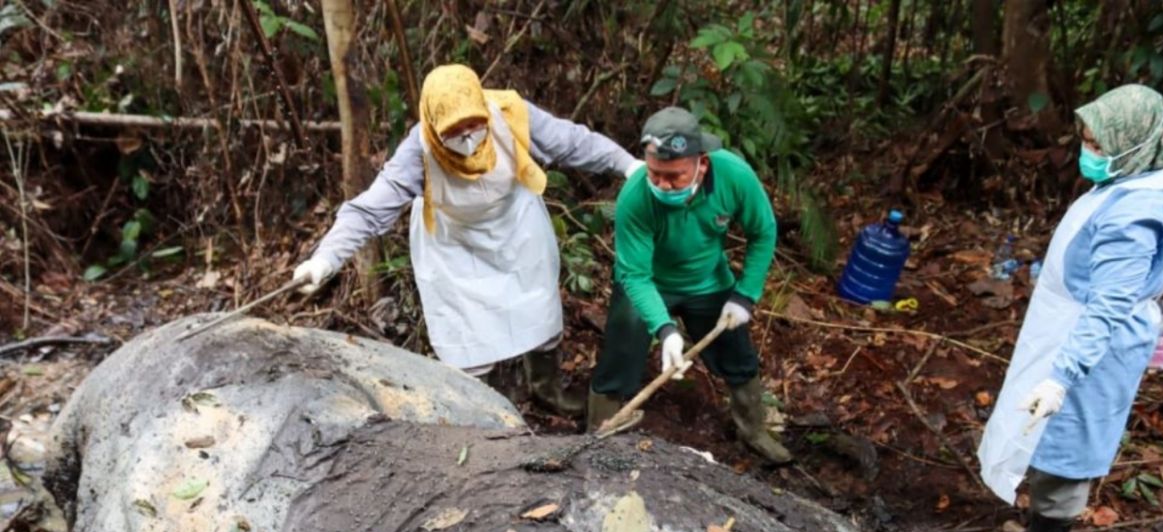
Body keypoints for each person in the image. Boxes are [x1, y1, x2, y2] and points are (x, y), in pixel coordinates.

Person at [292, 64, 641, 416]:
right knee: (466, 339)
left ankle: (546, 390)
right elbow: (368, 210)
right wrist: (325, 259)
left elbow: (574, 143)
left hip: (516, 227)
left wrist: (628, 166)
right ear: (433, 125)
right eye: (455, 130)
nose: (468, 136)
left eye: (474, 124)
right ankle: (481, 414)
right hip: (453, 244)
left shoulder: (510, 114)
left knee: (539, 309)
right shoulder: (419, 150)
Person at [978, 84, 1163, 532]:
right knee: (1046, 425)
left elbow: (1108, 305)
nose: (1089, 152)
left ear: (1136, 143)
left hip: (1093, 340)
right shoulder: (1143, 177)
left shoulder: (1139, 211)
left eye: (1099, 145)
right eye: (1088, 141)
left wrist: (1062, 375)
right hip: (1069, 321)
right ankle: (1039, 515)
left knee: (1066, 432)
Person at [587, 107, 792, 464]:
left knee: (737, 356)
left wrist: (745, 295)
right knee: (619, 357)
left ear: (702, 164)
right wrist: (665, 329)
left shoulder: (734, 177)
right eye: (655, 174)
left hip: (708, 282)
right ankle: (598, 434)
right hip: (648, 284)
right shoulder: (636, 197)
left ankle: (754, 429)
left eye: (674, 176)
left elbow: (763, 231)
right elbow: (635, 274)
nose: (663, 185)